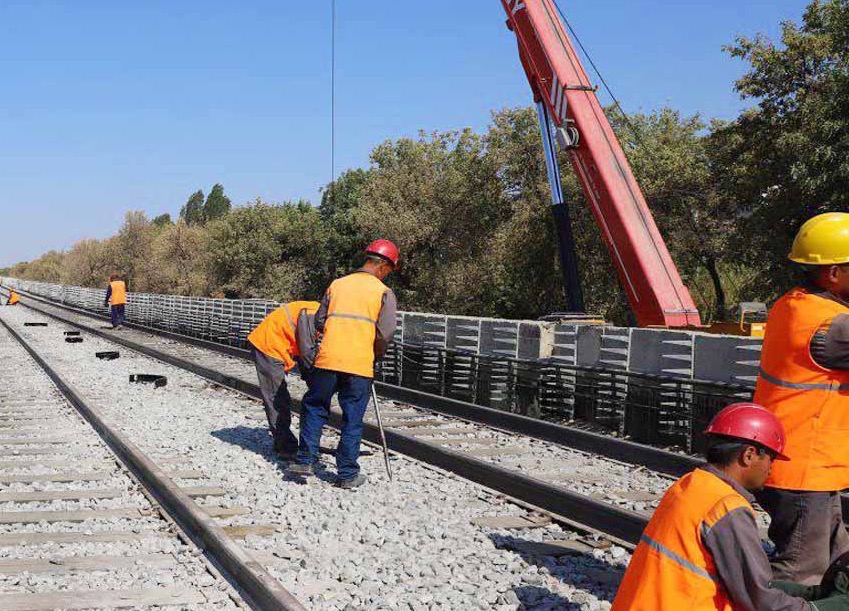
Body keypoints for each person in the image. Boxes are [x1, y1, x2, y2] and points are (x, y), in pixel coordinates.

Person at [612, 403, 849, 610]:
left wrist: (811, 594)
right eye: (771, 459)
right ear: (749, 455)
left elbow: (746, 581)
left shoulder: (690, 485)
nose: (771, 469)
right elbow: (759, 601)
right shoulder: (726, 507)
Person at [753, 212, 849, 584]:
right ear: (833, 273)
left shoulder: (792, 306)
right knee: (801, 572)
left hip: (801, 465)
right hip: (802, 468)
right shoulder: (833, 326)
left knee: (837, 557)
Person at [289, 239, 399, 489]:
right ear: (383, 266)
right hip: (359, 364)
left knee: (315, 407)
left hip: (328, 359)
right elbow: (385, 333)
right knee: (352, 418)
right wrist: (376, 355)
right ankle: (347, 474)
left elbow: (319, 321)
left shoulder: (337, 284)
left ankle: (305, 459)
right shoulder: (383, 293)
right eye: (389, 272)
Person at [247, 300, 320, 459]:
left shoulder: (317, 313)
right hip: (268, 345)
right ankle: (285, 446)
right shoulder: (311, 313)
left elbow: (306, 349)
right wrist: (316, 380)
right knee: (277, 397)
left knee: (279, 396)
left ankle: (284, 440)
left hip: (276, 344)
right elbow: (306, 350)